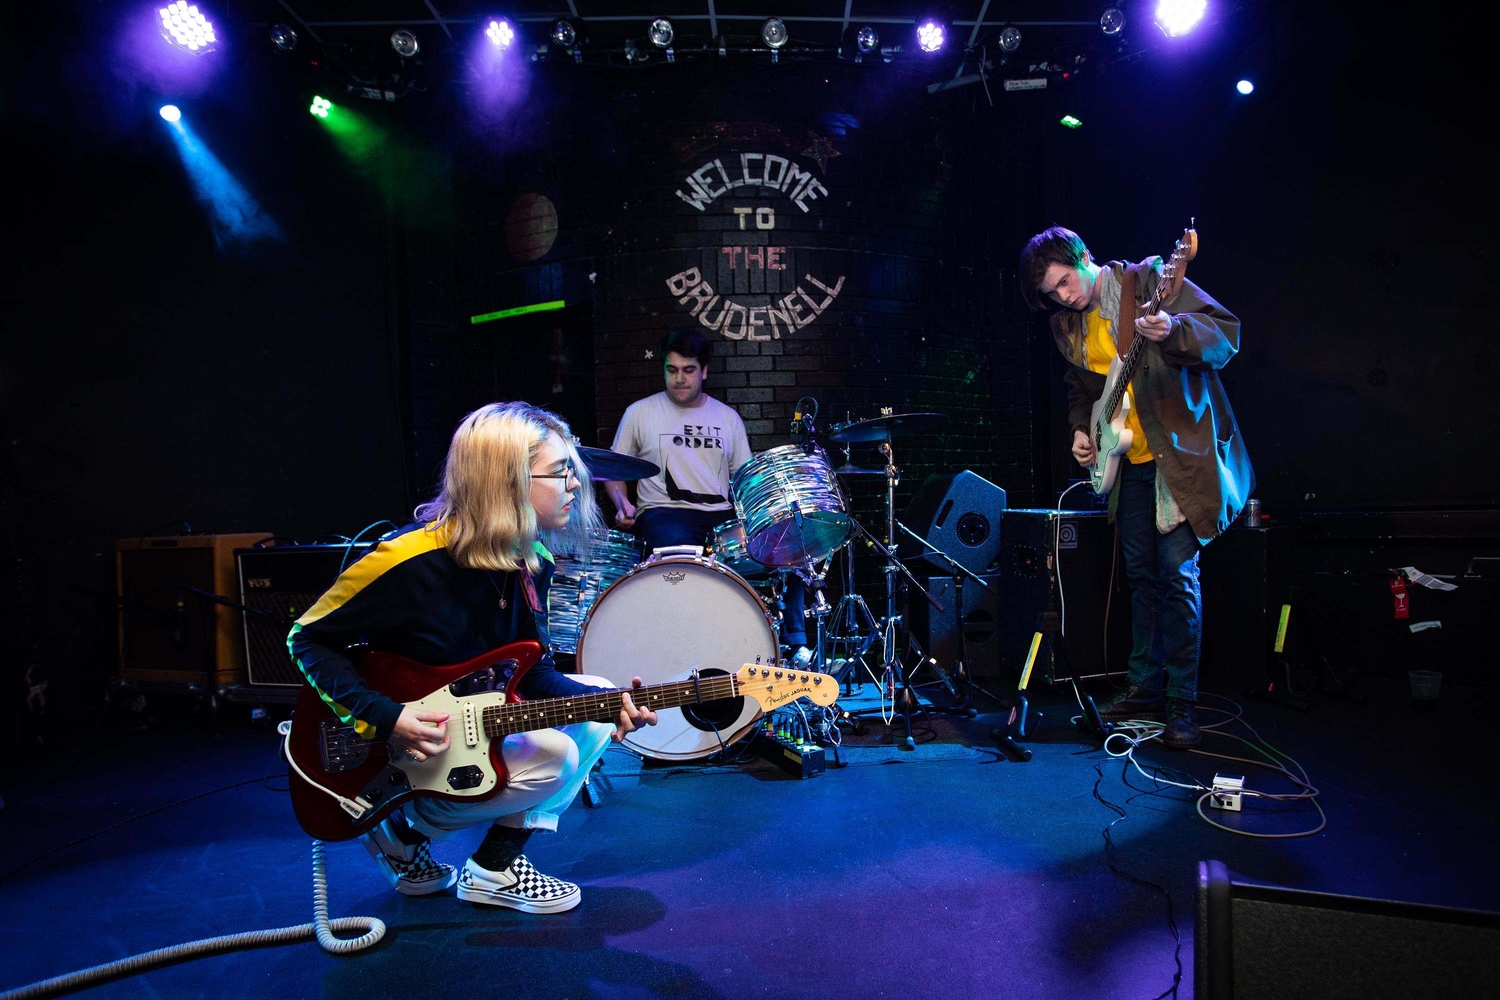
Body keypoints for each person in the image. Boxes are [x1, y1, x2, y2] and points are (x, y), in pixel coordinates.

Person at [287, 402, 658, 912]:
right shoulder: (406, 560)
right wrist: (386, 717)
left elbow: (535, 675)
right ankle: (398, 827)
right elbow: (306, 638)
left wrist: (608, 701)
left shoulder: (531, 561)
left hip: (469, 717)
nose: (578, 485)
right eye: (561, 472)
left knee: (593, 712)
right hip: (394, 749)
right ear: (504, 482)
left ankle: (494, 867)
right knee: (559, 757)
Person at [1019, 226, 1254, 748]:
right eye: (1053, 293)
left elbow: (1225, 333)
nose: (1065, 296)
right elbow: (1080, 389)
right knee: (1142, 578)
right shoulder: (1068, 328)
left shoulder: (1149, 281)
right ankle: (1144, 689)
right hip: (1128, 465)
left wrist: (1171, 328)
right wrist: (1083, 429)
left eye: (1065, 281)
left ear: (1084, 257)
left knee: (1177, 577)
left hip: (1179, 458)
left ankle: (1181, 704)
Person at [603, 329, 809, 652]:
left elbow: (744, 482)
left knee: (785, 543)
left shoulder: (728, 419)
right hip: (663, 513)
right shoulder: (640, 413)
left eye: (688, 370)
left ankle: (795, 645)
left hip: (720, 518)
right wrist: (621, 502)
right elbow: (613, 470)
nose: (679, 379)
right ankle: (680, 646)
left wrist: (762, 522)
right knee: (676, 553)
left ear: (704, 371)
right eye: (671, 370)